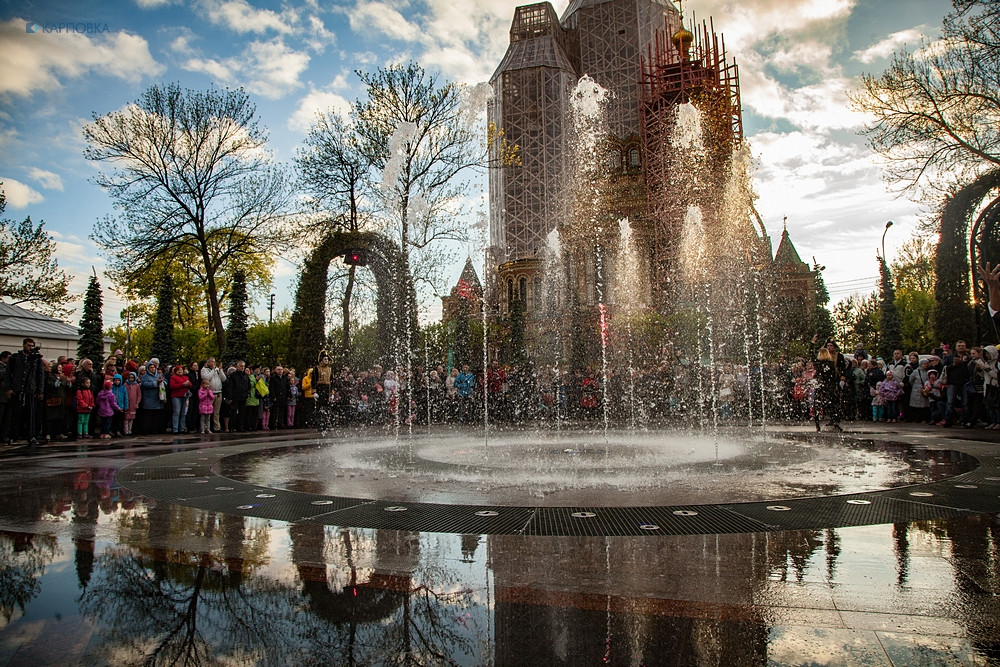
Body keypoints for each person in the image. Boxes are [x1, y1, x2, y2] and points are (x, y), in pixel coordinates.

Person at [4, 338, 45, 445]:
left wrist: (40, 390)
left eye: (32, 346)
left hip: (31, 391)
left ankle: (31, 436)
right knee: (15, 415)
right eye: (28, 345)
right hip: (17, 389)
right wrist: (8, 388)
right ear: (24, 345)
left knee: (31, 415)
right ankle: (13, 436)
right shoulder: (15, 358)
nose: (30, 348)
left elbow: (40, 375)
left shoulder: (36, 359)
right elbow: (8, 374)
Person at [200, 357, 226, 432]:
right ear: (208, 362)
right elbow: (206, 378)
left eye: (214, 362)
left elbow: (224, 379)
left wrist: (220, 370)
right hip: (209, 393)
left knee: (216, 412)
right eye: (211, 362)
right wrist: (213, 370)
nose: (213, 363)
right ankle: (206, 427)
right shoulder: (204, 369)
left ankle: (217, 427)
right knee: (207, 412)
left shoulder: (217, 370)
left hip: (218, 393)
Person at [168, 363, 192, 434]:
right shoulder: (173, 377)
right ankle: (175, 429)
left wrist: (188, 384)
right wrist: (182, 384)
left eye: (181, 370)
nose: (180, 371)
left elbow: (190, 385)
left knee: (183, 413)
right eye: (178, 370)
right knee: (176, 412)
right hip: (176, 396)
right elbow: (172, 386)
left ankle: (182, 428)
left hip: (184, 396)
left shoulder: (186, 377)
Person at [123, 371, 140, 436]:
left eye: (132, 378)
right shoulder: (125, 384)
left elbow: (139, 395)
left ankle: (130, 430)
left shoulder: (137, 385)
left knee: (131, 418)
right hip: (127, 404)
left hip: (133, 404)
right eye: (130, 378)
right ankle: (126, 431)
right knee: (126, 418)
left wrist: (137, 403)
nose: (131, 379)